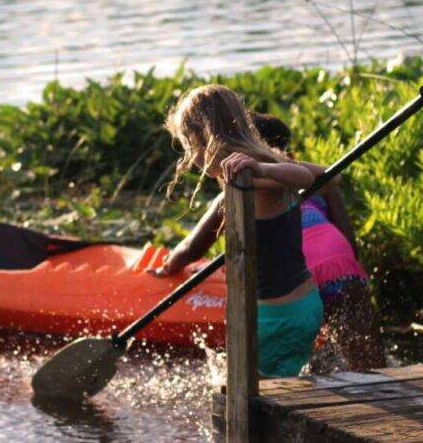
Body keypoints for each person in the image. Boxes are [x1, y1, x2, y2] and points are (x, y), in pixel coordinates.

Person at [153, 111, 385, 371]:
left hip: (295, 278)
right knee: (366, 360)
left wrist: (167, 267)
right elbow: (348, 239)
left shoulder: (243, 188)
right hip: (340, 265)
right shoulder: (306, 176)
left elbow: (191, 249)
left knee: (282, 365)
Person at [153, 84, 322, 377]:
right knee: (287, 389)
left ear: (200, 140)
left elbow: (305, 176)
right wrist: (271, 164)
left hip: (271, 319)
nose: (191, 159)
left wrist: (262, 169)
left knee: (250, 403)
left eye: (188, 147)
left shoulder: (252, 177)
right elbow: (326, 175)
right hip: (305, 305)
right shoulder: (267, 166)